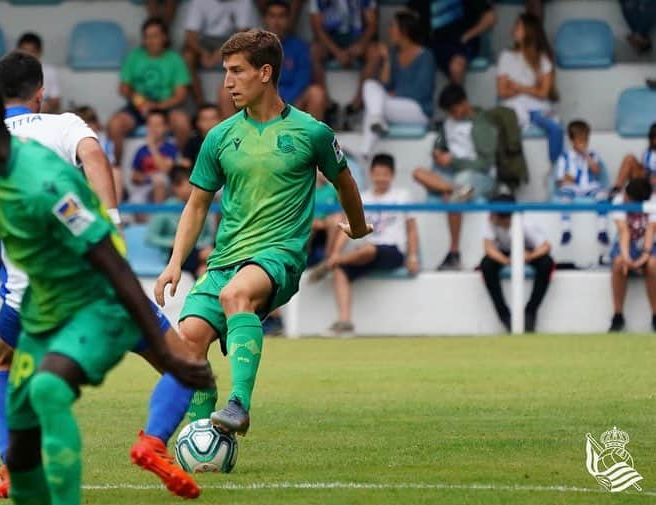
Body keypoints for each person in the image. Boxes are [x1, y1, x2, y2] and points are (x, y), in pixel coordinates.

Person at [0, 71, 212, 505]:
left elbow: (109, 260)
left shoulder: (44, 182)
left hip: (97, 303)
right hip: (42, 309)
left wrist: (166, 351)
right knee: (20, 453)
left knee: (50, 391)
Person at [154, 29, 372, 435]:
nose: (227, 83)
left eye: (237, 72)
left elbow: (345, 184)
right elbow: (197, 204)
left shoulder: (313, 133)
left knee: (236, 295)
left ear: (266, 73)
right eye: (225, 72)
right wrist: (174, 263)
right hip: (225, 260)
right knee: (188, 339)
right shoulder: (219, 137)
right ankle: (204, 437)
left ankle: (239, 404)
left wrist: (357, 228)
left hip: (279, 256)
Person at [312, 154, 419, 337]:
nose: (381, 178)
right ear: (370, 174)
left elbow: (411, 230)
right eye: (377, 174)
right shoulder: (363, 198)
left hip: (393, 251)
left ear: (392, 175)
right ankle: (345, 322)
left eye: (385, 174)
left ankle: (333, 261)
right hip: (365, 252)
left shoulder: (402, 196)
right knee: (341, 271)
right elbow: (348, 227)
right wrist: (336, 250)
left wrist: (412, 256)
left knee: (368, 249)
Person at [413, 83, 496, 271]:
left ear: (464, 103)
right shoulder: (448, 123)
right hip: (451, 175)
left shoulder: (482, 123)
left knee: (457, 193)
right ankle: (451, 188)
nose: (453, 114)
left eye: (454, 109)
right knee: (418, 172)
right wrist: (438, 154)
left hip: (478, 176)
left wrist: (454, 161)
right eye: (449, 111)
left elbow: (485, 163)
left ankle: (454, 251)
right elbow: (441, 144)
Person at [107, 17, 191, 166]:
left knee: (182, 122)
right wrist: (140, 102)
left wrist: (157, 106)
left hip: (166, 107)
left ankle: (179, 166)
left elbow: (180, 95)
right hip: (138, 107)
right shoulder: (134, 57)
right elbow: (124, 88)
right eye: (147, 36)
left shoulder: (175, 60)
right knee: (115, 124)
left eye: (155, 36)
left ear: (164, 37)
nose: (150, 41)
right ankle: (115, 169)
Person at [358, 10, 435, 158]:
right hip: (394, 106)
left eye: (392, 26)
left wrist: (395, 93)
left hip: (418, 110)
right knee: (369, 85)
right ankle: (366, 149)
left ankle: (367, 146)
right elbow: (386, 86)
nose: (389, 30)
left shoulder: (426, 56)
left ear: (404, 30)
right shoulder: (393, 54)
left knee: (377, 106)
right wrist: (386, 60)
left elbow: (422, 91)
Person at [479, 194, 554, 332]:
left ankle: (530, 311)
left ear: (503, 218)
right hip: (505, 253)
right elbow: (488, 247)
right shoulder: (490, 221)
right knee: (486, 265)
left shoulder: (526, 223)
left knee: (546, 263)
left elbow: (545, 246)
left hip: (528, 252)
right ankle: (504, 315)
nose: (489, 215)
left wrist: (527, 257)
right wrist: (507, 261)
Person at [496, 13, 562, 164]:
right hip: (513, 107)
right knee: (503, 131)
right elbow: (502, 91)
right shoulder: (506, 56)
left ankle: (556, 169)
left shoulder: (543, 58)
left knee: (556, 129)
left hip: (538, 109)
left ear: (529, 31)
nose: (514, 29)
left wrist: (518, 87)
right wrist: (532, 89)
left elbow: (543, 93)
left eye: (518, 26)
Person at [309, 0, 379, 123]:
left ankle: (357, 104)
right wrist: (337, 52)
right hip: (330, 39)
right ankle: (327, 104)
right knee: (314, 51)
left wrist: (360, 45)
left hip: (357, 37)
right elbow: (317, 27)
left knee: (375, 52)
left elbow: (372, 24)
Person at [264, 0, 328, 122]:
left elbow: (302, 82)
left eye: (281, 16)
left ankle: (311, 140)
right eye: (272, 16)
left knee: (316, 93)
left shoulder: (300, 47)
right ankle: (232, 139)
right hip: (261, 106)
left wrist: (282, 108)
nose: (276, 22)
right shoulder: (253, 49)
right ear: (266, 19)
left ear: (288, 20)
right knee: (226, 92)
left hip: (291, 106)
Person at [182, 0, 254, 107]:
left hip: (233, 41)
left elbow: (243, 34)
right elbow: (190, 36)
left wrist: (219, 53)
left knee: (247, 52)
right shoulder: (199, 2)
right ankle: (200, 104)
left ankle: (237, 99)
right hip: (205, 42)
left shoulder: (244, 2)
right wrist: (203, 53)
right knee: (187, 56)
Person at [147, 165, 216, 278]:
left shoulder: (201, 205)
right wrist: (171, 242)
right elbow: (150, 237)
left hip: (200, 250)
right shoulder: (167, 208)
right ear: (176, 187)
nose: (192, 188)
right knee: (208, 256)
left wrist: (204, 244)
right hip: (177, 253)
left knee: (204, 268)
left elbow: (208, 234)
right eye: (188, 185)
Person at [406, 0, 496, 85]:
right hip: (431, 42)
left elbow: (490, 17)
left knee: (456, 67)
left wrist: (468, 36)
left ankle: (456, 98)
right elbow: (406, 13)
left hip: (460, 43)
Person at [608, 178, 656, 332]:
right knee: (618, 263)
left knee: (652, 265)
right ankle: (618, 315)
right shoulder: (618, 200)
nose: (626, 199)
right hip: (626, 244)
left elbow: (650, 230)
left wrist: (644, 257)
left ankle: (655, 315)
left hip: (648, 244)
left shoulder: (653, 202)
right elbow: (624, 231)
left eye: (630, 199)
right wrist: (627, 258)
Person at [554, 120, 609, 248]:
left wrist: (585, 154)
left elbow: (596, 170)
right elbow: (559, 180)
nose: (583, 142)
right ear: (572, 140)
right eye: (579, 139)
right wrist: (567, 180)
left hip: (590, 186)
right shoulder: (564, 157)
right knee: (565, 197)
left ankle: (602, 230)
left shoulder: (593, 154)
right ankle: (566, 230)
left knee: (602, 196)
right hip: (572, 188)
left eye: (585, 139)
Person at [74, 105, 123, 203]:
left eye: (91, 123)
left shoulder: (105, 141)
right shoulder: (71, 140)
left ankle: (112, 214)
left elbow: (109, 165)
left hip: (99, 175)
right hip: (79, 174)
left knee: (116, 173)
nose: (88, 127)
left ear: (96, 124)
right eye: (85, 123)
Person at [129, 109, 177, 205]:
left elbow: (165, 170)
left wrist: (152, 147)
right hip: (146, 186)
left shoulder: (170, 148)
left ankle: (157, 218)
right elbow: (134, 176)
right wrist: (147, 178)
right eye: (151, 125)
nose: (154, 129)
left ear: (165, 127)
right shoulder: (141, 150)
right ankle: (143, 221)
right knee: (136, 200)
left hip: (166, 187)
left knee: (159, 179)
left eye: (158, 125)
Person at [16, 32, 60, 113]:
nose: (27, 55)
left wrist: (46, 107)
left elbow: (56, 101)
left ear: (40, 52)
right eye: (24, 51)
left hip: (43, 114)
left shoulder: (50, 71)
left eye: (32, 51)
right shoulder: (10, 71)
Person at [613, 122, 656, 191]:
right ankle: (616, 189)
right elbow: (644, 170)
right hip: (645, 180)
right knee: (629, 158)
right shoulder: (648, 153)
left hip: (652, 182)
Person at [179, 103, 221, 169]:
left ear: (221, 120)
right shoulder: (192, 143)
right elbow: (186, 163)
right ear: (198, 123)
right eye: (205, 119)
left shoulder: (228, 140)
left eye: (213, 118)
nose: (209, 123)